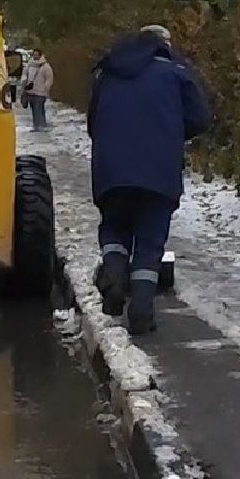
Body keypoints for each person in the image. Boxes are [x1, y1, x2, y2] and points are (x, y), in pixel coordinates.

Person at [87, 24, 210, 334]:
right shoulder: (175, 72)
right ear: (163, 45)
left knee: (114, 227)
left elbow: (93, 121)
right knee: (150, 241)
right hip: (158, 169)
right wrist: (171, 132)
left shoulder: (107, 72)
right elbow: (199, 119)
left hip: (112, 169)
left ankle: (114, 273)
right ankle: (141, 313)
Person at [21, 50, 54, 131]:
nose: (35, 56)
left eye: (37, 55)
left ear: (40, 55)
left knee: (38, 108)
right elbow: (24, 74)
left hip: (41, 92)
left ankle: (40, 126)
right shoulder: (29, 65)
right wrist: (24, 82)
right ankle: (38, 125)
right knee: (34, 109)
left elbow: (49, 78)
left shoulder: (45, 66)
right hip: (30, 92)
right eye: (34, 55)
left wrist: (46, 88)